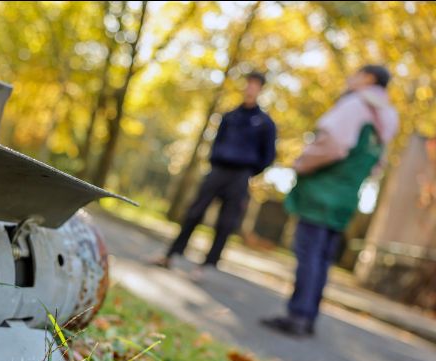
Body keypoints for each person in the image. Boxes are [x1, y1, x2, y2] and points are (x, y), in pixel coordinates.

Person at [261, 65, 399, 336]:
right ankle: (308, 316)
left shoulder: (356, 104)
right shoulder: (388, 118)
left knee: (308, 253)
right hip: (347, 197)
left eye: (356, 75)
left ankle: (297, 315)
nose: (351, 78)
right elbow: (376, 164)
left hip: (322, 191)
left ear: (368, 79)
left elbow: (334, 144)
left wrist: (303, 163)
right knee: (323, 258)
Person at [154, 71, 276, 279]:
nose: (250, 88)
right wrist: (216, 160)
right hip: (218, 169)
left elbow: (268, 155)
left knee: (226, 223)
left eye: (255, 85)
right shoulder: (230, 116)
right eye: (248, 83)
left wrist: (250, 170)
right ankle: (171, 254)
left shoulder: (265, 123)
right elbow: (217, 142)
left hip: (240, 175)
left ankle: (206, 266)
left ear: (261, 89)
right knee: (194, 212)